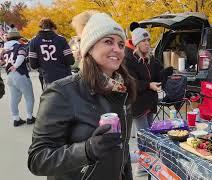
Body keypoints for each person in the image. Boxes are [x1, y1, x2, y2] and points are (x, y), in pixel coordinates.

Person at [28, 11, 136, 180]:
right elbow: (37, 159)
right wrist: (86, 150)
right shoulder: (61, 92)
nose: (117, 49)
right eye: (108, 41)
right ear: (90, 47)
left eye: (121, 44)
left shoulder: (122, 90)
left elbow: (123, 149)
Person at [125, 27, 161, 176]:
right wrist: (148, 85)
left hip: (150, 104)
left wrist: (164, 75)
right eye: (144, 41)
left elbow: (157, 76)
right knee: (144, 137)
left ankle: (149, 164)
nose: (147, 43)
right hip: (138, 105)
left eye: (148, 40)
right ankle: (142, 168)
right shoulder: (129, 60)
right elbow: (131, 83)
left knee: (150, 136)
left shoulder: (150, 59)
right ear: (137, 43)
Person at [0, 29, 35, 126]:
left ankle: (16, 119)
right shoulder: (19, 46)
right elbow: (21, 57)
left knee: (14, 98)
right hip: (20, 74)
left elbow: (2, 62)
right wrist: (15, 66)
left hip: (9, 75)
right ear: (18, 38)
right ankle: (30, 117)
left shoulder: (5, 49)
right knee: (29, 97)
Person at [28, 18, 75, 88]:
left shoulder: (34, 41)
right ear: (53, 27)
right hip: (65, 77)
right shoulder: (61, 39)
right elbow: (70, 61)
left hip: (47, 78)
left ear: (41, 27)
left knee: (50, 98)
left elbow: (33, 65)